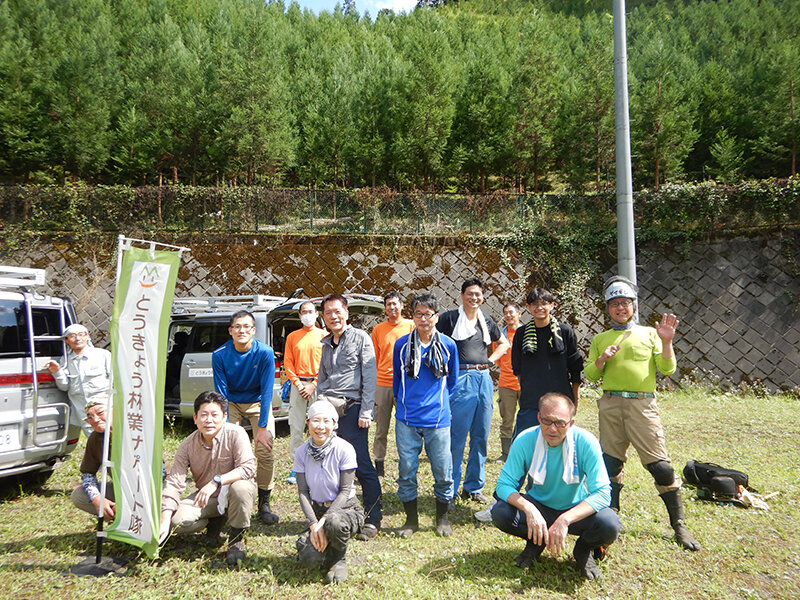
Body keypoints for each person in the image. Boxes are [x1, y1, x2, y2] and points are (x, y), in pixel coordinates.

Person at [584, 276, 701, 551]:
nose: (620, 308)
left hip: (642, 405)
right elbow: (590, 373)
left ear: (633, 306)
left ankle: (679, 526)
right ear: (607, 308)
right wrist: (602, 359)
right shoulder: (601, 338)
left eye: (624, 303)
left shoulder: (650, 333)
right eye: (614, 304)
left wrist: (668, 342)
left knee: (661, 467)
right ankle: (610, 521)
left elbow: (667, 368)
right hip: (611, 405)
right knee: (610, 465)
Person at [490, 393, 621, 580]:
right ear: (538, 418)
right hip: (539, 506)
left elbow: (602, 493)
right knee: (500, 512)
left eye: (560, 423)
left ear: (571, 423)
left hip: (576, 509)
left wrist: (564, 520)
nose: (552, 429)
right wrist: (530, 510)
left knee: (610, 524)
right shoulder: (525, 439)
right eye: (547, 421)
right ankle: (536, 542)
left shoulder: (586, 442)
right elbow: (503, 485)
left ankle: (583, 550)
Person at [159, 391, 258, 565]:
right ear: (195, 418)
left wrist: (216, 481)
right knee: (177, 520)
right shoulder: (187, 445)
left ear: (224, 416)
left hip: (234, 493)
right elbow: (174, 482)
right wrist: (164, 518)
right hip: (209, 499)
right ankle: (214, 521)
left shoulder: (237, 433)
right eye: (203, 415)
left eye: (214, 415)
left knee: (240, 488)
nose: (209, 420)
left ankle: (236, 539)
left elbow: (248, 467)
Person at [436, 277, 509, 504]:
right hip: (460, 378)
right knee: (456, 437)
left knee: (481, 436)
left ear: (483, 297)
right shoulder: (449, 318)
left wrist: (490, 361)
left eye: (478, 294)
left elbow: (504, 343)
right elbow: (433, 340)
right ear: (462, 295)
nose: (474, 297)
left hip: (484, 379)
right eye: (470, 293)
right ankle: (450, 489)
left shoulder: (485, 321)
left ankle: (473, 487)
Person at [392, 293, 459, 537]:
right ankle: (411, 521)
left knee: (443, 471)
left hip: (438, 420)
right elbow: (397, 382)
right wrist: (403, 405)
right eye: (418, 314)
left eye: (428, 314)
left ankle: (442, 519)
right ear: (412, 317)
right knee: (407, 470)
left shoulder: (449, 345)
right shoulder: (401, 345)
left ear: (436, 317)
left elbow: (452, 382)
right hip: (407, 419)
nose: (423, 319)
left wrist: (438, 405)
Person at [316, 293, 382, 539]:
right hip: (327, 412)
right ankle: (334, 515)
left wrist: (366, 411)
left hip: (353, 409)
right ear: (324, 317)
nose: (333, 316)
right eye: (328, 313)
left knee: (361, 464)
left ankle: (373, 518)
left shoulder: (360, 338)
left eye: (337, 311)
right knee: (328, 463)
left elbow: (369, 376)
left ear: (346, 312)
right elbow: (322, 378)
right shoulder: (325, 342)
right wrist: (318, 409)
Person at [212, 310, 279, 525]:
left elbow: (267, 389)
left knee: (265, 450)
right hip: (230, 402)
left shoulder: (265, 352)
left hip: (258, 401)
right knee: (228, 450)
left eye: (246, 327)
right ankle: (229, 499)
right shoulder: (220, 355)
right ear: (230, 331)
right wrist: (227, 426)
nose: (242, 330)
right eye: (237, 327)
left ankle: (264, 502)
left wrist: (261, 429)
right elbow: (220, 393)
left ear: (253, 330)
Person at [294, 400, 364, 584]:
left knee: (334, 522)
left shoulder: (344, 449)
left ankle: (338, 559)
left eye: (326, 421)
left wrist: (323, 522)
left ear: (335, 424)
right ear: (307, 422)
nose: (320, 426)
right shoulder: (301, 452)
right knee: (309, 560)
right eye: (316, 420)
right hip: (317, 509)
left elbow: (345, 490)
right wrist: (313, 524)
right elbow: (303, 492)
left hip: (345, 509)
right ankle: (322, 548)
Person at [511, 288, 583, 437]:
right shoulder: (521, 333)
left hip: (561, 400)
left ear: (552, 305)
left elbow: (575, 368)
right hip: (531, 402)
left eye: (544, 303)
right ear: (529, 307)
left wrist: (575, 400)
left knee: (561, 445)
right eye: (535, 304)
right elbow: (517, 368)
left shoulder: (565, 332)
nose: (539, 308)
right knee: (527, 445)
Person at [371, 292, 415, 480]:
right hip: (382, 383)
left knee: (406, 426)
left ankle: (407, 467)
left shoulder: (412, 326)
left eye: (395, 304)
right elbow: (373, 358)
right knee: (381, 428)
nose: (392, 308)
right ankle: (379, 467)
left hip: (405, 384)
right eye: (388, 304)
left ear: (402, 305)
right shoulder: (378, 329)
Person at [284, 301, 326, 484]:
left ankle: (318, 463)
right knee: (296, 425)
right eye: (304, 312)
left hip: (318, 385)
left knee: (319, 425)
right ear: (299, 315)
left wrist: (313, 384)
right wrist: (298, 384)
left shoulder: (324, 336)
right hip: (298, 385)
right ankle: (297, 467)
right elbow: (288, 362)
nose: (307, 314)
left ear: (316, 314)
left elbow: (327, 364)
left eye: (310, 311)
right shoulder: (293, 337)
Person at [46, 323, 111, 437]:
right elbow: (64, 386)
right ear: (66, 340)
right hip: (83, 409)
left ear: (87, 336)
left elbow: (115, 380)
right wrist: (56, 371)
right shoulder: (66, 360)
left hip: (104, 407)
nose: (78, 338)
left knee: (113, 435)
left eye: (81, 334)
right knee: (93, 439)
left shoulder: (102, 355)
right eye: (72, 336)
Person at [70, 399, 115, 521]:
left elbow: (160, 472)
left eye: (100, 413)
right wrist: (97, 499)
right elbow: (88, 473)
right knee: (79, 496)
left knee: (172, 522)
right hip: (120, 488)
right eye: (90, 417)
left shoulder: (135, 432)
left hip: (151, 488)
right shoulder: (95, 439)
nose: (95, 420)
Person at [495, 302, 522, 462]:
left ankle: (523, 452)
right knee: (507, 420)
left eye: (511, 312)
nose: (508, 316)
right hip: (506, 383)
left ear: (519, 314)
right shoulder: (500, 336)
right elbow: (498, 358)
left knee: (527, 418)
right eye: (506, 313)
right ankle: (505, 454)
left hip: (525, 383)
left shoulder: (527, 334)